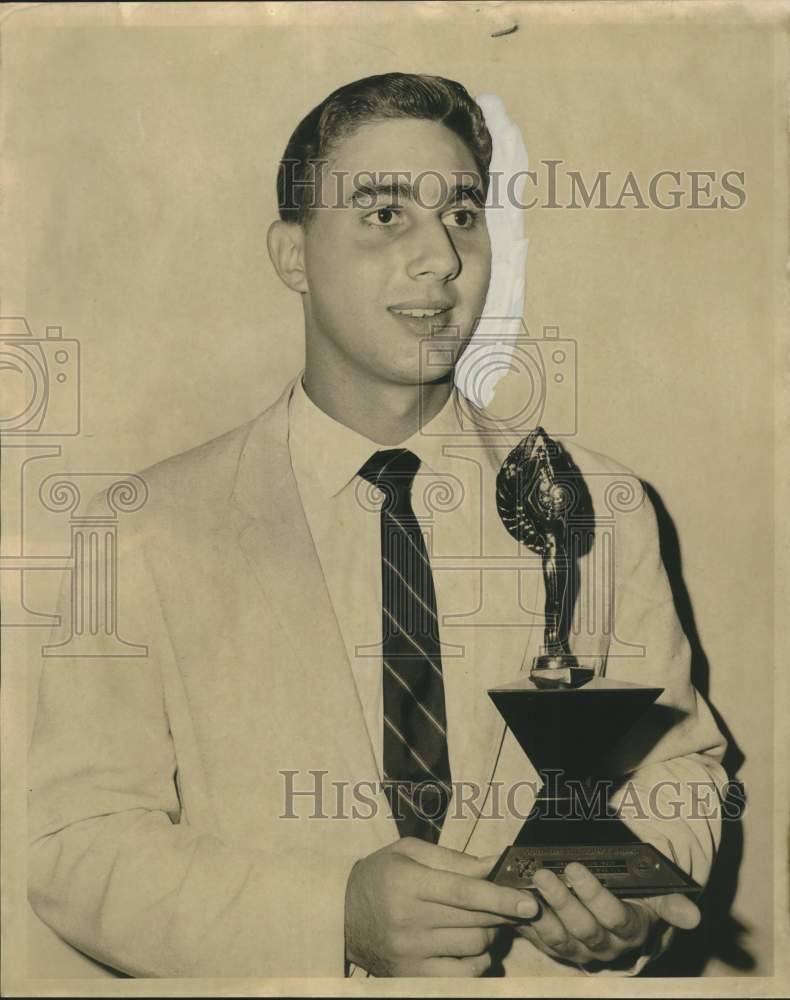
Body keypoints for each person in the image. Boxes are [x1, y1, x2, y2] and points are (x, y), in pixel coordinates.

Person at [28, 72, 727, 979]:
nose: (440, 256)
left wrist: (631, 895)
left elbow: (680, 769)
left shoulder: (597, 503)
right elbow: (75, 845)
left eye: (464, 215)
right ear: (292, 256)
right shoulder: (140, 530)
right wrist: (332, 918)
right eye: (385, 214)